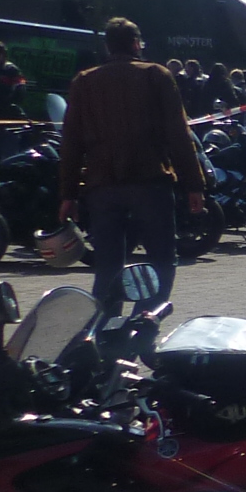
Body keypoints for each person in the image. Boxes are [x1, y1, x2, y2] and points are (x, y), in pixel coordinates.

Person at [57, 17, 207, 314]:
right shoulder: (156, 76)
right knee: (161, 259)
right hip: (150, 182)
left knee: (108, 265)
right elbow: (179, 135)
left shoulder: (84, 81)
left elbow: (71, 143)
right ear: (137, 44)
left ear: (108, 46)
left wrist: (68, 194)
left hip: (102, 185)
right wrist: (194, 185)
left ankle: (104, 326)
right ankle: (144, 321)